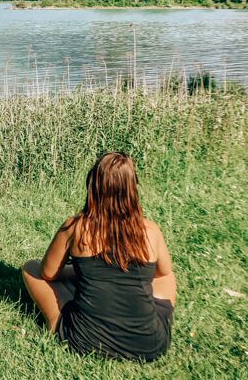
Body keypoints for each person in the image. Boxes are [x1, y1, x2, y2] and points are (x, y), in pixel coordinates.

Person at [21, 152, 176, 361]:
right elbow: (163, 273)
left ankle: (57, 323)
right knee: (167, 276)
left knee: (30, 268)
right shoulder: (150, 231)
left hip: (83, 340)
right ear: (132, 188)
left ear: (93, 185)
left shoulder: (76, 227)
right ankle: (141, 318)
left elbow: (47, 274)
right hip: (149, 345)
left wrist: (75, 271)